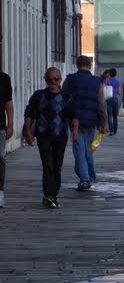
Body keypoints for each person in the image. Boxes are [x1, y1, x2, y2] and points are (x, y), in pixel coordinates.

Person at [22, 67, 73, 208]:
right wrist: (27, 130)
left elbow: (73, 114)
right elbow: (29, 112)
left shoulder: (66, 96)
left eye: (56, 79)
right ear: (45, 80)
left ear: (60, 80)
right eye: (50, 79)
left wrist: (75, 131)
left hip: (60, 136)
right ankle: (49, 195)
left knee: (57, 166)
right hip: (43, 135)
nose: (53, 82)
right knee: (47, 166)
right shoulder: (38, 95)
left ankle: (54, 194)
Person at [63, 55, 107, 191]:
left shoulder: (70, 79)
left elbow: (64, 99)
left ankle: (85, 179)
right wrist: (103, 122)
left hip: (75, 120)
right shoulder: (97, 81)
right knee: (89, 149)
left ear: (77, 64)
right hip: (92, 120)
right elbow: (101, 104)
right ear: (90, 65)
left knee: (79, 150)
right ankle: (90, 175)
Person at [0, 67, 12, 208]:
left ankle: (0, 190)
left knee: (0, 157)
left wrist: (11, 123)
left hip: (0, 125)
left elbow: (8, 102)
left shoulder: (4, 78)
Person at [104, 68, 122, 136]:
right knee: (115, 116)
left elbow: (104, 89)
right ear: (115, 74)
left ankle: (111, 131)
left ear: (109, 73)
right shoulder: (117, 81)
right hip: (115, 99)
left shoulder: (106, 80)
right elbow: (119, 92)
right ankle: (115, 130)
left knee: (109, 116)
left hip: (108, 99)